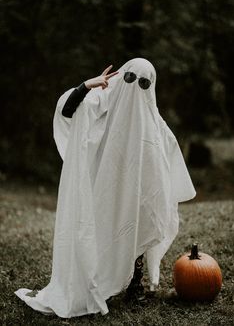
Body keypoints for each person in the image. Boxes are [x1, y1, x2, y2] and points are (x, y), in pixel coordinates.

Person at [15, 58, 196, 318]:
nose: (135, 88)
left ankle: (135, 285)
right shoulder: (102, 103)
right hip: (104, 189)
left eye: (143, 83)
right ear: (121, 77)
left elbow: (168, 155)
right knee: (101, 234)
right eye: (130, 79)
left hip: (138, 195)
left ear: (151, 87)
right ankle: (99, 281)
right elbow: (67, 111)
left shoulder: (154, 121)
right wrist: (86, 86)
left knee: (140, 226)